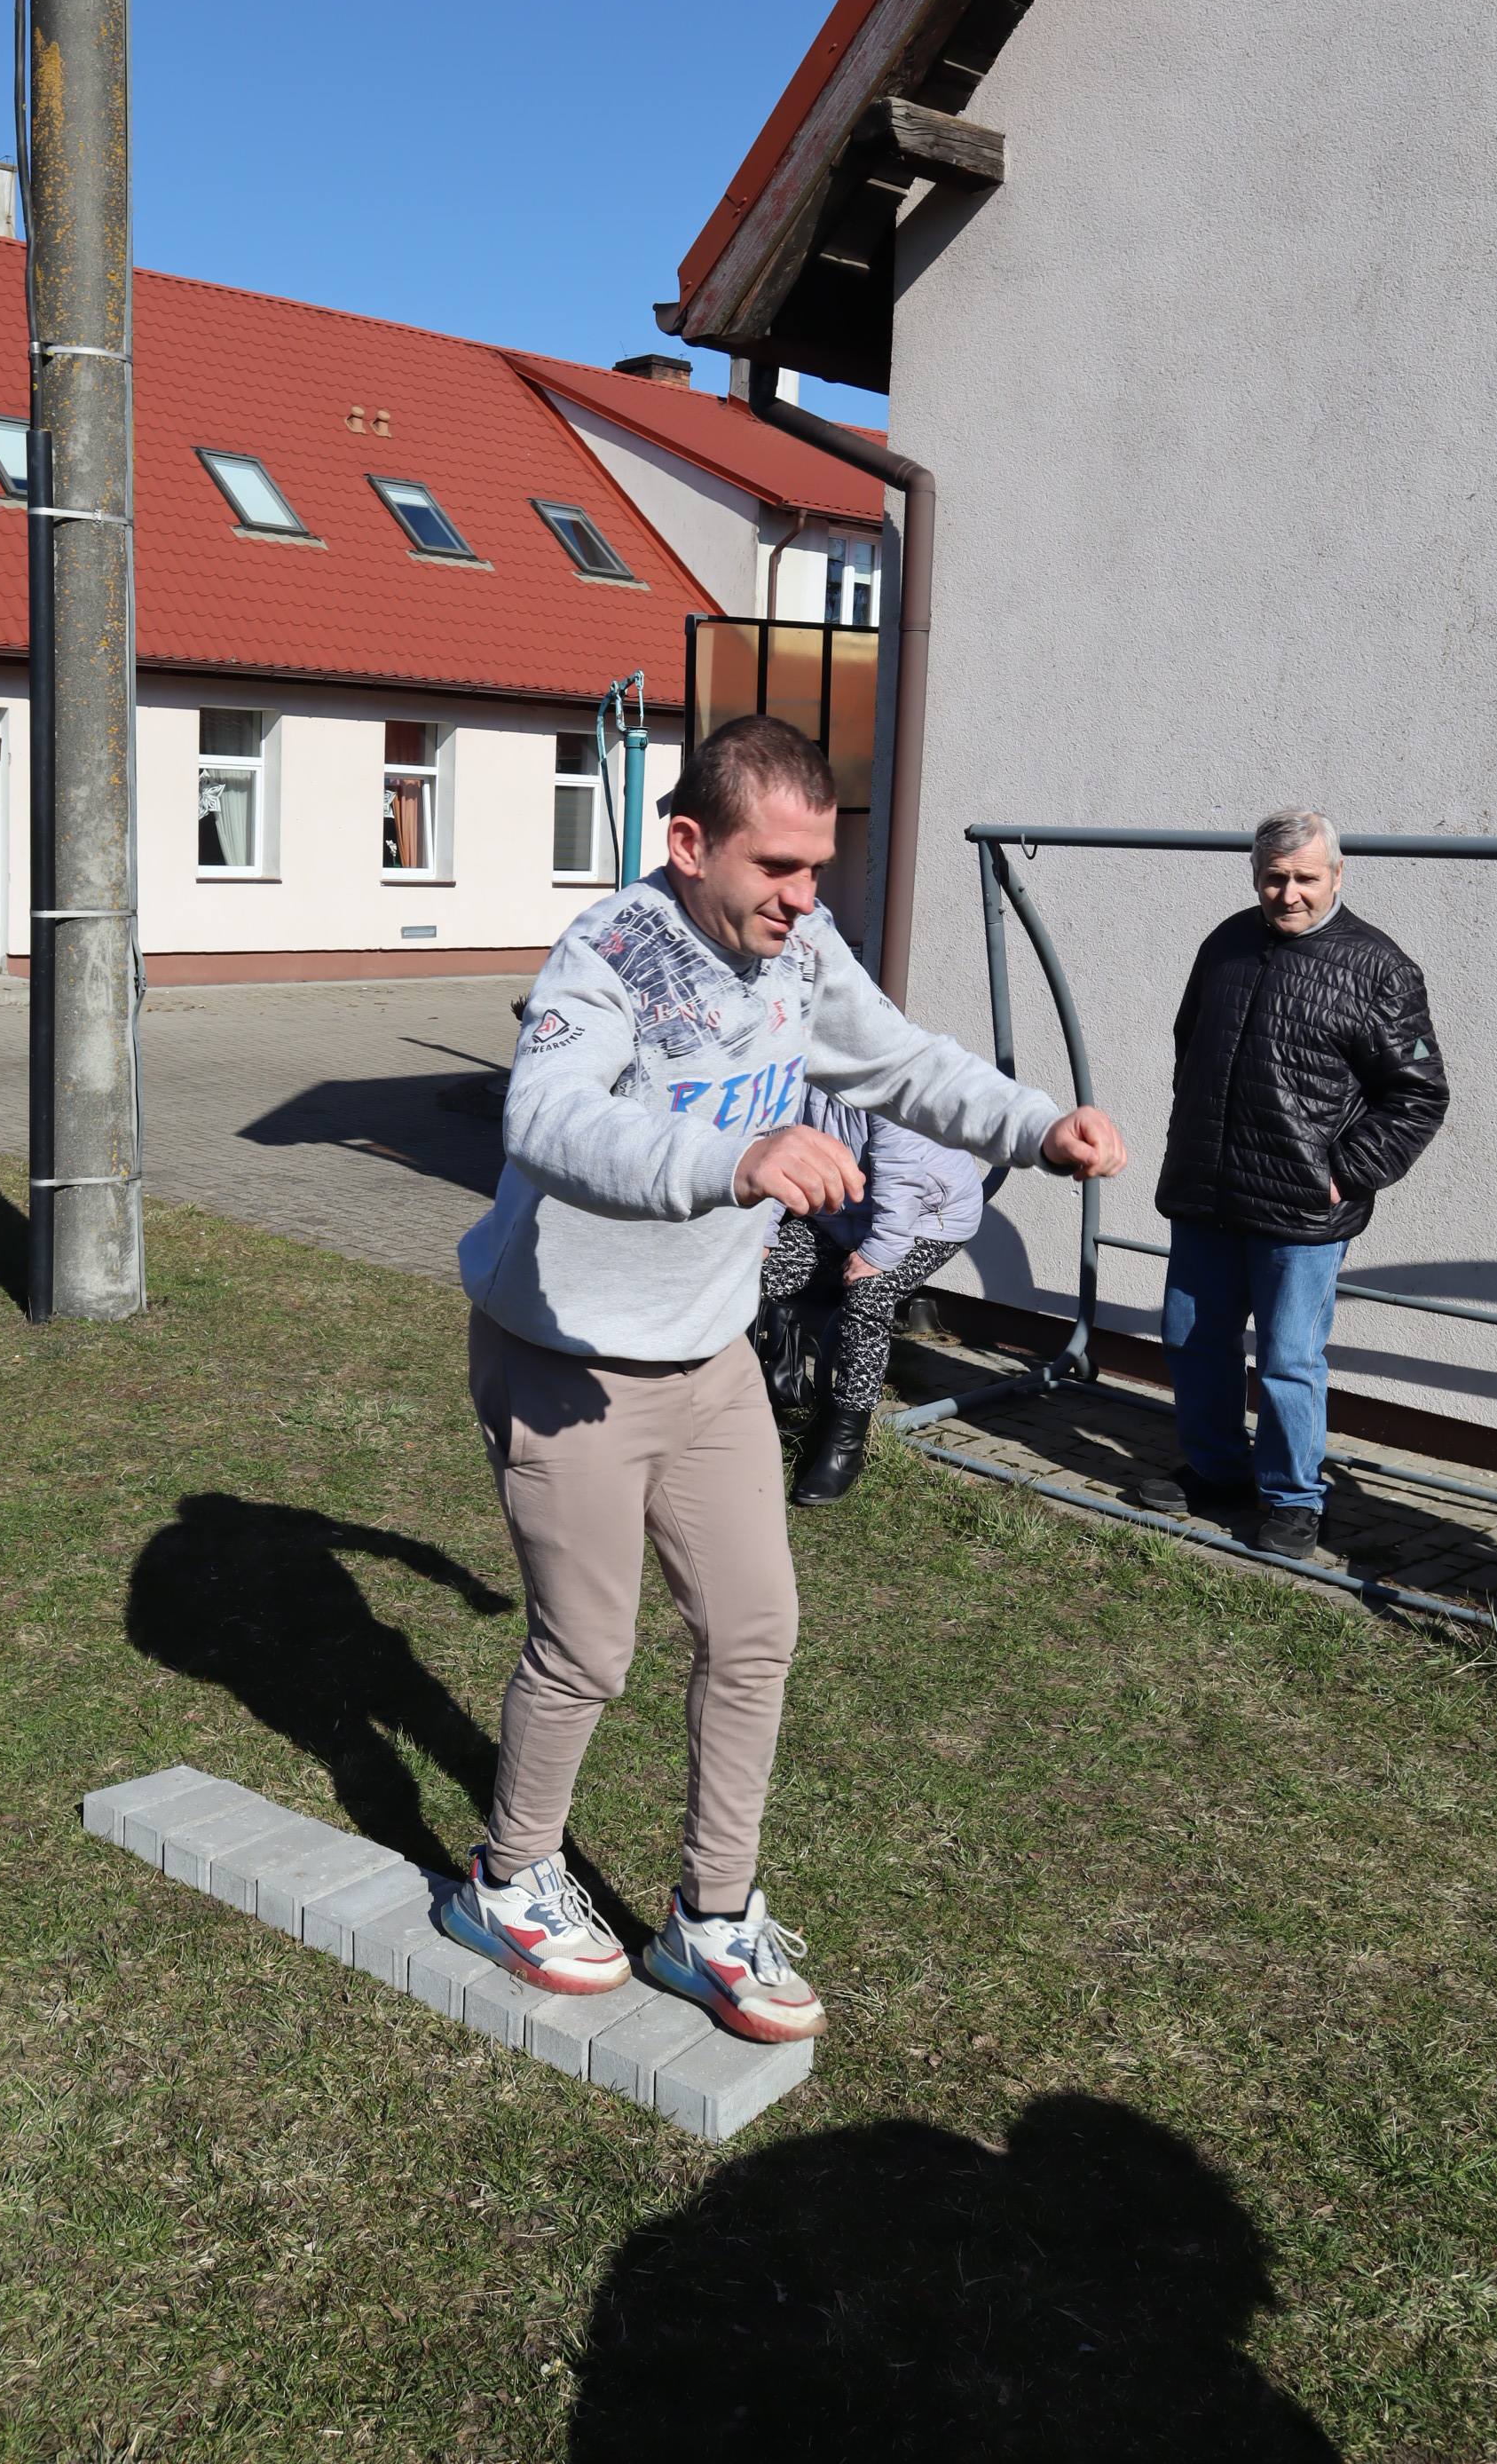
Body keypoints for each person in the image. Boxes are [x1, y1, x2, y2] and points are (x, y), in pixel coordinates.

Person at [444, 715, 1126, 2041]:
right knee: (587, 1651)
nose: (805, 897)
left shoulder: (799, 951)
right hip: (565, 1359)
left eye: (818, 867)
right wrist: (734, 1163)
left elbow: (900, 1060)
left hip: (708, 1360)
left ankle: (710, 1917)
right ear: (688, 843)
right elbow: (547, 1118)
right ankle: (509, 1876)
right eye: (777, 866)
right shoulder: (609, 956)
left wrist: (1037, 1126)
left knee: (755, 1633)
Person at [1139, 808, 1447, 1558]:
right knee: (1192, 1339)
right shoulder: (1226, 943)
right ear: (1256, 876)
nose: (1289, 893)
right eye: (1274, 877)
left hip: (1302, 1209)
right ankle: (1217, 1471)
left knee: (1289, 1361)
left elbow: (1418, 1095)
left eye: (1306, 877)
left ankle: (1293, 1499)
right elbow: (1189, 1045)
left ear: (1337, 875)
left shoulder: (1380, 968)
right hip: (1208, 1192)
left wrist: (1347, 1174)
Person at [760, 1085, 983, 1504]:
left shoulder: (884, 1078)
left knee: (868, 1298)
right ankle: (780, 1386)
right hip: (840, 1214)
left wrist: (878, 1254)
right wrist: (765, 1234)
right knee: (761, 1274)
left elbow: (901, 1175)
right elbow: (775, 1150)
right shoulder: (793, 1072)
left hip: (924, 1219)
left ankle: (844, 1446)